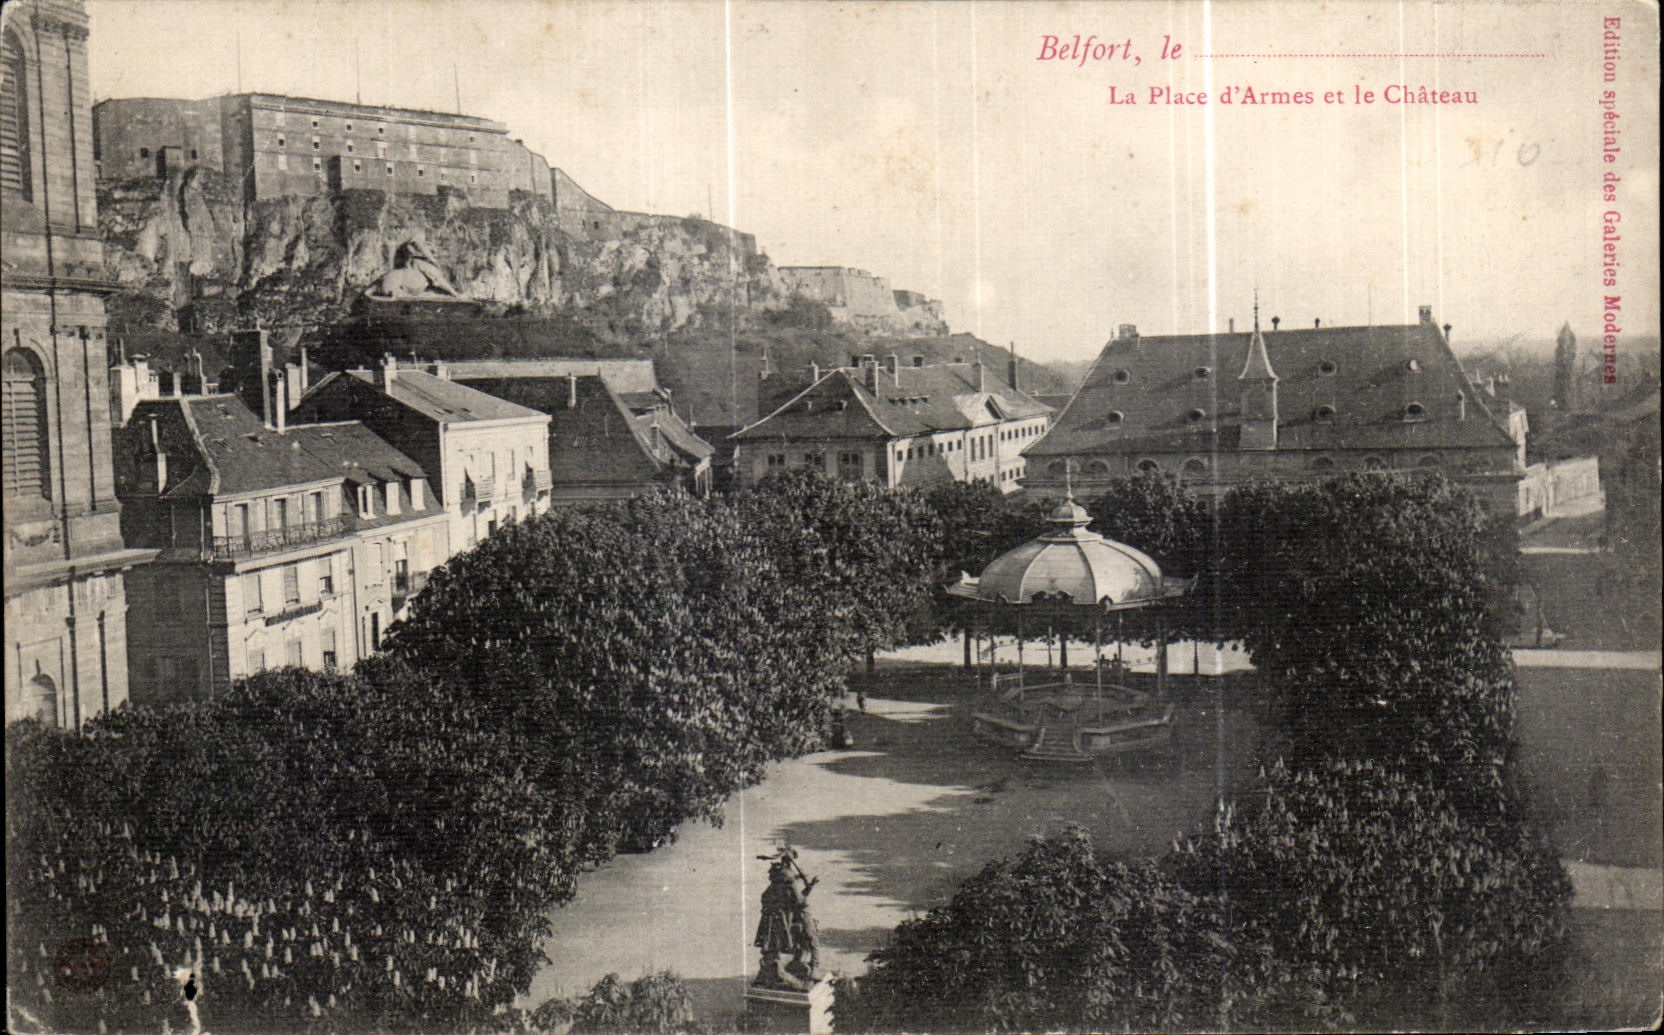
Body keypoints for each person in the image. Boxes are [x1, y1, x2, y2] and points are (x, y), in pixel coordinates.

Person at [753, 847, 822, 989]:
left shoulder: (773, 887)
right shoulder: (787, 879)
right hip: (795, 914)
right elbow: (799, 901)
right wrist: (809, 888)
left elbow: (793, 900)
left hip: (779, 918)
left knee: (796, 941)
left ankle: (804, 967)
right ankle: (813, 969)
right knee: (811, 938)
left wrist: (807, 886)